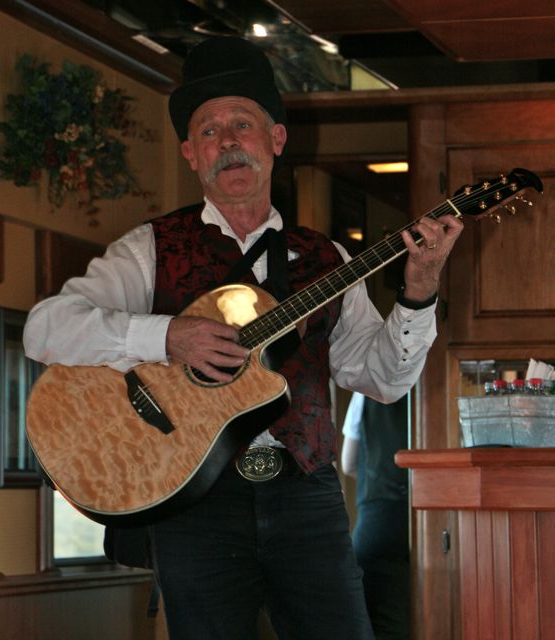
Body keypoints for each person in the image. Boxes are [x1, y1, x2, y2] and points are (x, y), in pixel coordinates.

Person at [23, 36, 463, 640]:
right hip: (195, 498)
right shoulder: (149, 248)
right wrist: (166, 336)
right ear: (190, 154)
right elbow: (44, 328)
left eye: (242, 124)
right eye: (209, 131)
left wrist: (419, 289)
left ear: (276, 139)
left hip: (306, 496)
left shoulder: (328, 259)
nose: (227, 141)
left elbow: (383, 380)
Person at [342, 392, 411, 640]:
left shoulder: (366, 388)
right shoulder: (441, 384)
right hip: (435, 524)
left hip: (378, 518)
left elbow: (348, 463)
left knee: (379, 625)